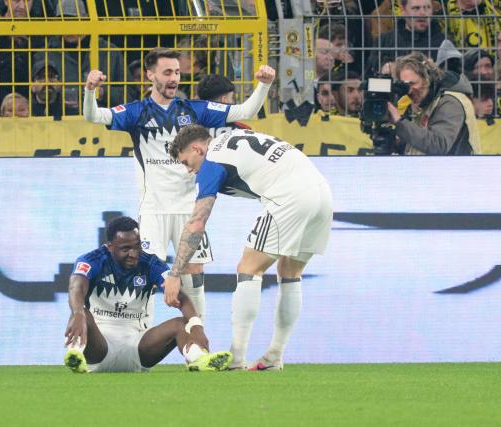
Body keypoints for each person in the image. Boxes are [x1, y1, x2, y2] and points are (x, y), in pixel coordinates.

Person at [83, 48, 275, 320]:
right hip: (154, 211)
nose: (174, 78)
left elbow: (246, 110)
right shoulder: (136, 112)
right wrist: (90, 91)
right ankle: (140, 342)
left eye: (177, 72)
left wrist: (264, 84)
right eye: (168, 72)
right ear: (151, 75)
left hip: (189, 210)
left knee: (194, 277)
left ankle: (199, 343)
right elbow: (93, 116)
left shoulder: (194, 109)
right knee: (145, 276)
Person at [162, 125, 333, 371]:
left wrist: (175, 273)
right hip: (322, 193)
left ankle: (237, 357)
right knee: (290, 272)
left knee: (248, 269)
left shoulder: (210, 162)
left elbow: (197, 222)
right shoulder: (231, 138)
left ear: (197, 149)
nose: (190, 170)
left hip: (289, 197)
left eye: (187, 162)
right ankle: (274, 355)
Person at [63, 216, 232, 373]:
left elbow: (182, 298)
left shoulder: (150, 263)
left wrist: (196, 326)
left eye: (137, 246)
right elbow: (76, 286)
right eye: (125, 249)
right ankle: (76, 356)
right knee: (82, 314)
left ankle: (199, 359)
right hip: (99, 349)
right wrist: (77, 313)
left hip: (139, 349)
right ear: (109, 246)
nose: (134, 253)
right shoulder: (92, 260)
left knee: (181, 324)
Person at [387, 52, 481, 155]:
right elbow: (421, 144)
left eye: (412, 84)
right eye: (404, 86)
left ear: (427, 78)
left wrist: (400, 123)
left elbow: (438, 146)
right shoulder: (427, 100)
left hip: (457, 169)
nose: (408, 91)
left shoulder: (450, 102)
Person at [367, 0, 448, 76]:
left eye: (427, 8)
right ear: (403, 10)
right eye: (416, 8)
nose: (423, 13)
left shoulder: (444, 42)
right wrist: (384, 71)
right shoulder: (385, 40)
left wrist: (436, 72)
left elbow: (454, 80)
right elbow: (368, 76)